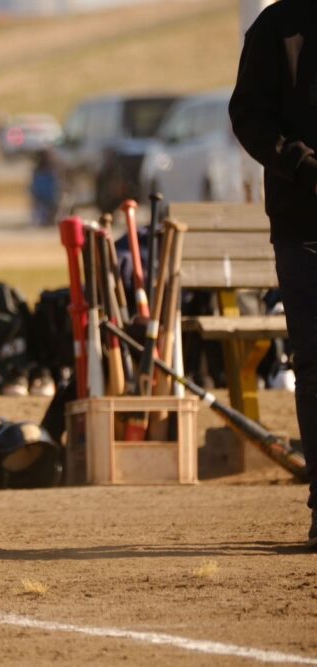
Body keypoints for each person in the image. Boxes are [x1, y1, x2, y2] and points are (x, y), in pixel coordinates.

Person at [229, 0, 317, 549]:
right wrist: (302, 166)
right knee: (313, 366)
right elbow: (249, 117)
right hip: (303, 227)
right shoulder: (276, 27)